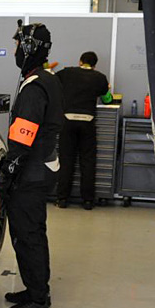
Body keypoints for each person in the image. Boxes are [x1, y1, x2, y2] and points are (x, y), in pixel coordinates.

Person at [0, 21, 64, 308]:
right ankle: (36, 288)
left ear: (28, 49)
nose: (14, 51)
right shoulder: (45, 79)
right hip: (43, 167)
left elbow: (23, 137)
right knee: (34, 232)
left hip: (31, 172)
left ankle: (37, 300)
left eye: (16, 46)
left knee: (27, 236)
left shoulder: (35, 87)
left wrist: (7, 172)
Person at [54, 51, 112, 210]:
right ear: (94, 65)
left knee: (66, 160)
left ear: (80, 61)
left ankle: (62, 199)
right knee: (87, 162)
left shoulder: (66, 73)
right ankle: (87, 201)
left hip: (68, 121)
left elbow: (53, 83)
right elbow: (108, 100)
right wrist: (107, 90)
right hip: (87, 122)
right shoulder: (99, 77)